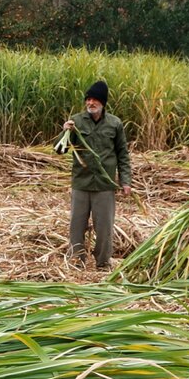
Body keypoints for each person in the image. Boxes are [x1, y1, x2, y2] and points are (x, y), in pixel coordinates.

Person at [57, 80, 132, 270]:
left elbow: (123, 155)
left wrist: (125, 182)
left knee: (104, 228)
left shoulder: (115, 124)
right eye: (88, 99)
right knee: (76, 227)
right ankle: (76, 262)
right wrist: (64, 132)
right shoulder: (76, 121)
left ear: (102, 102)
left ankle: (103, 264)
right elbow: (60, 150)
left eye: (95, 100)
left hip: (104, 186)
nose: (90, 103)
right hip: (81, 184)